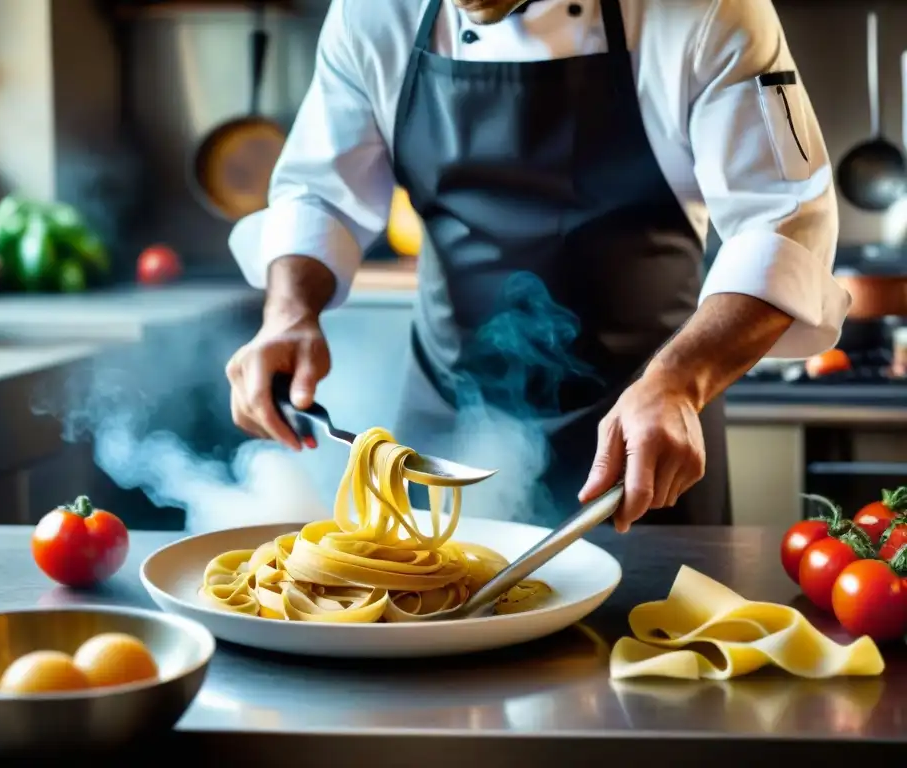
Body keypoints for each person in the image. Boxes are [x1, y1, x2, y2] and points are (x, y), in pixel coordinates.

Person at [225, 0, 848, 531]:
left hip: (645, 428)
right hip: (445, 428)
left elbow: (784, 222)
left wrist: (680, 382)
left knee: (647, 658)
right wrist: (288, 315)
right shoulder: (374, 12)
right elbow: (320, 193)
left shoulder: (704, 11)